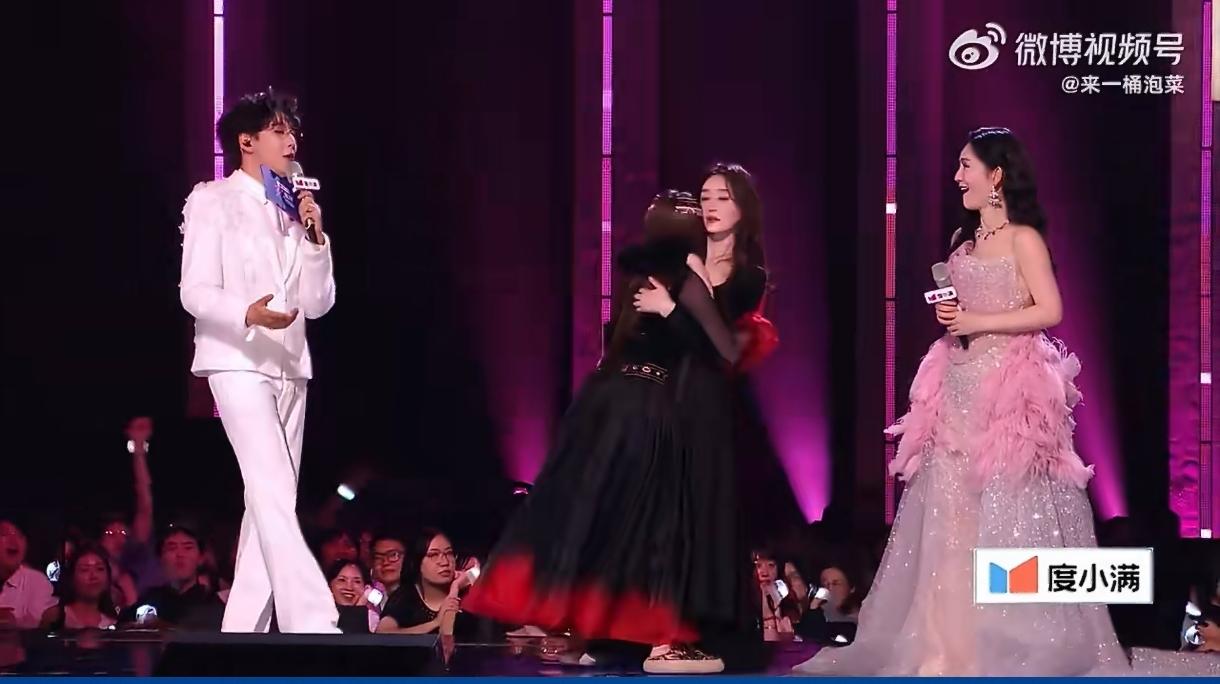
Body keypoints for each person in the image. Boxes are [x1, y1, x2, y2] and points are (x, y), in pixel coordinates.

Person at [793, 127, 1220, 676]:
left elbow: (1050, 309)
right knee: (950, 520)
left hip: (1009, 394)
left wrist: (979, 320)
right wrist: (953, 318)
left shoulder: (1024, 239)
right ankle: (943, 646)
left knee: (1008, 516)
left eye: (965, 166)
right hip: (957, 387)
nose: (957, 177)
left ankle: (1004, 640)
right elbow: (961, 314)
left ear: (995, 175)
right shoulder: (961, 241)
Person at [465, 191, 741, 674]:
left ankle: (582, 634)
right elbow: (724, 351)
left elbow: (617, 345)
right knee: (654, 521)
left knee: (597, 514)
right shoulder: (682, 278)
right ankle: (662, 641)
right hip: (644, 407)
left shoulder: (637, 279)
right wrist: (674, 311)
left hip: (602, 405)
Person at [179, 88, 338, 634]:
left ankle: (241, 630)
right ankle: (312, 620)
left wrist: (315, 239)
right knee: (270, 488)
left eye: (293, 131)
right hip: (236, 358)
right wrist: (245, 312)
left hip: (290, 365)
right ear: (246, 142)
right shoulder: (213, 200)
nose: (291, 140)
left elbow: (318, 303)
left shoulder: (295, 207)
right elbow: (194, 290)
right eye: (278, 130)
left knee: (270, 500)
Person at [376, 529, 480, 638]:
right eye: (433, 555)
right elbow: (383, 633)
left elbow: (447, 638)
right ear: (418, 562)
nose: (444, 562)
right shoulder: (406, 596)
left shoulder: (469, 595)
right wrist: (435, 623)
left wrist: (455, 588)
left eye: (449, 553)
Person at [122, 524, 223, 628]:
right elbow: (122, 625)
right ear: (160, 558)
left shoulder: (212, 603)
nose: (180, 554)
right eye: (172, 548)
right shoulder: (150, 599)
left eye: (188, 548)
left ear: (201, 558)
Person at [46, 544, 119, 631]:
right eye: (84, 570)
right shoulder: (55, 616)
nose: (93, 576)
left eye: (100, 569)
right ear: (71, 578)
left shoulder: (112, 623)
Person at [0, 519, 57, 630]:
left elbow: (38, 626)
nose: (14, 540)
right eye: (4, 534)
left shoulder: (37, 582)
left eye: (20, 536)